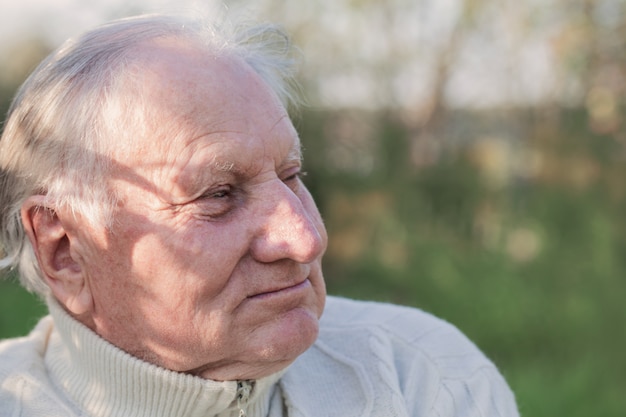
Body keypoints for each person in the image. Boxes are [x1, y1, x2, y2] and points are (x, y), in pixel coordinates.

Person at [0, 13, 519, 417]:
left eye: (292, 176)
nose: (305, 238)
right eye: (219, 194)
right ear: (64, 249)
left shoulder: (423, 378)